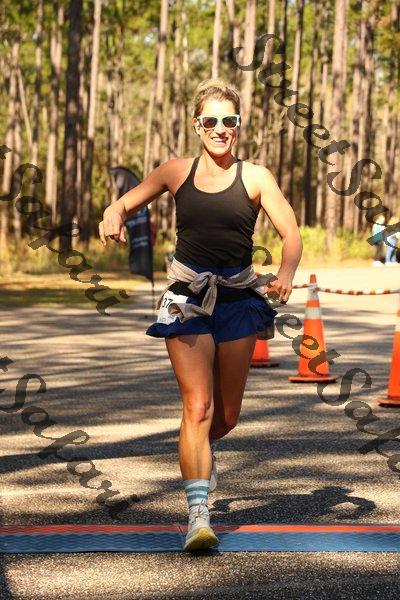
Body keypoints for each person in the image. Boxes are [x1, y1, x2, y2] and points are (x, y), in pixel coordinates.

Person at [98, 78, 302, 552]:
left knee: (225, 417)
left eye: (229, 120)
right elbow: (126, 200)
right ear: (197, 125)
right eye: (210, 120)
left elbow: (290, 233)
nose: (220, 129)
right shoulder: (175, 171)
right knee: (198, 407)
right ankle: (198, 515)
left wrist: (287, 272)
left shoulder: (256, 177)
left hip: (237, 299)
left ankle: (201, 454)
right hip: (185, 298)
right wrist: (113, 214)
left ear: (239, 124)